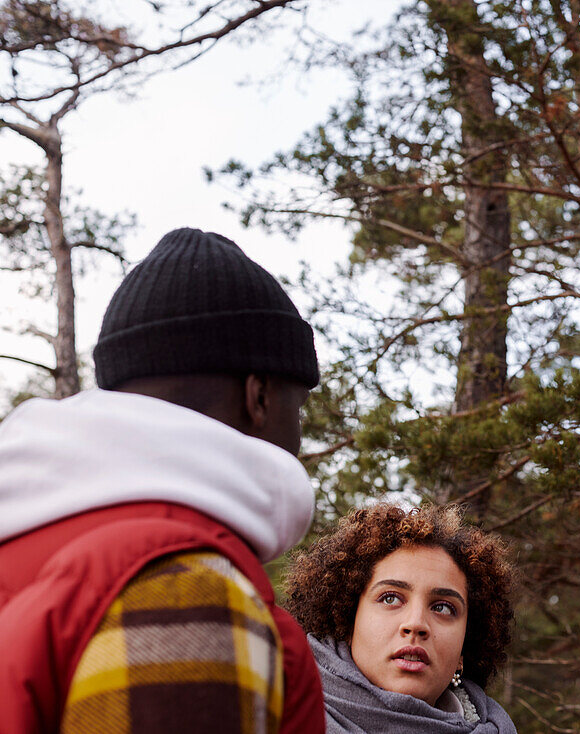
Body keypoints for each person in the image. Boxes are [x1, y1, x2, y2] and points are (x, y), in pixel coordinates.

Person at [0, 228, 326, 734]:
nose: (299, 434)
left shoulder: (24, 545)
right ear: (258, 396)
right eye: (297, 406)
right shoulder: (185, 585)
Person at [284, 503, 518, 733]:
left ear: (464, 648)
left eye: (443, 608)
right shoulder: (274, 713)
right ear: (347, 621)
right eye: (390, 599)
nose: (416, 623)